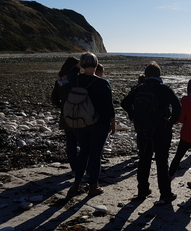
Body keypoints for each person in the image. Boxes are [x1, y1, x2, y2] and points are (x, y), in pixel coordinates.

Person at [121, 61, 181, 203]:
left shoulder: (139, 88)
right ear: (159, 75)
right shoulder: (164, 89)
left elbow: (124, 103)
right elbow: (178, 106)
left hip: (143, 130)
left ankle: (142, 190)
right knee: (162, 161)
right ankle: (165, 193)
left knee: (144, 160)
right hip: (161, 130)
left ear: (146, 75)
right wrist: (171, 120)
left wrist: (133, 115)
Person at [66, 52, 116, 197]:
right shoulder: (102, 82)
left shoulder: (75, 79)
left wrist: (79, 64)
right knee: (95, 155)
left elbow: (71, 71)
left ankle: (76, 185)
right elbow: (109, 107)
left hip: (80, 122)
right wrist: (112, 124)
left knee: (83, 152)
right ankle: (93, 186)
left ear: (82, 64)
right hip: (99, 124)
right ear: (96, 65)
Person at [50, 57, 80, 174]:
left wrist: (63, 107)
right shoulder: (76, 80)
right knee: (83, 143)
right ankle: (82, 167)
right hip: (79, 115)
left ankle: (74, 167)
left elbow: (54, 99)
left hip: (65, 115)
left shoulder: (59, 81)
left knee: (70, 143)